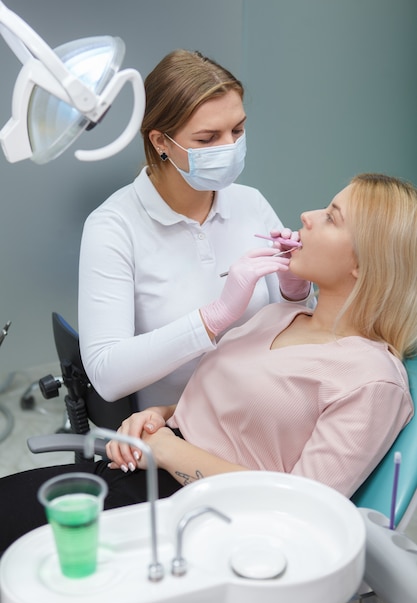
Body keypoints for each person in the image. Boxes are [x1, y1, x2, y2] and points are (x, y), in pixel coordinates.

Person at [0, 172, 415, 554]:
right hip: (145, 472)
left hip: (200, 524)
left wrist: (167, 450)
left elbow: (297, 509)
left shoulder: (371, 380)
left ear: (364, 263)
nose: (306, 216)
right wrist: (159, 417)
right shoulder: (281, 315)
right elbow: (230, 407)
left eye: (331, 218)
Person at [78, 49, 311, 411]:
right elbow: (107, 375)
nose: (230, 147)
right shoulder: (113, 228)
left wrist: (295, 293)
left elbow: (291, 329)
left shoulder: (250, 202)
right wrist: (213, 317)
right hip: (177, 427)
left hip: (262, 411)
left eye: (238, 130)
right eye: (207, 139)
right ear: (160, 141)